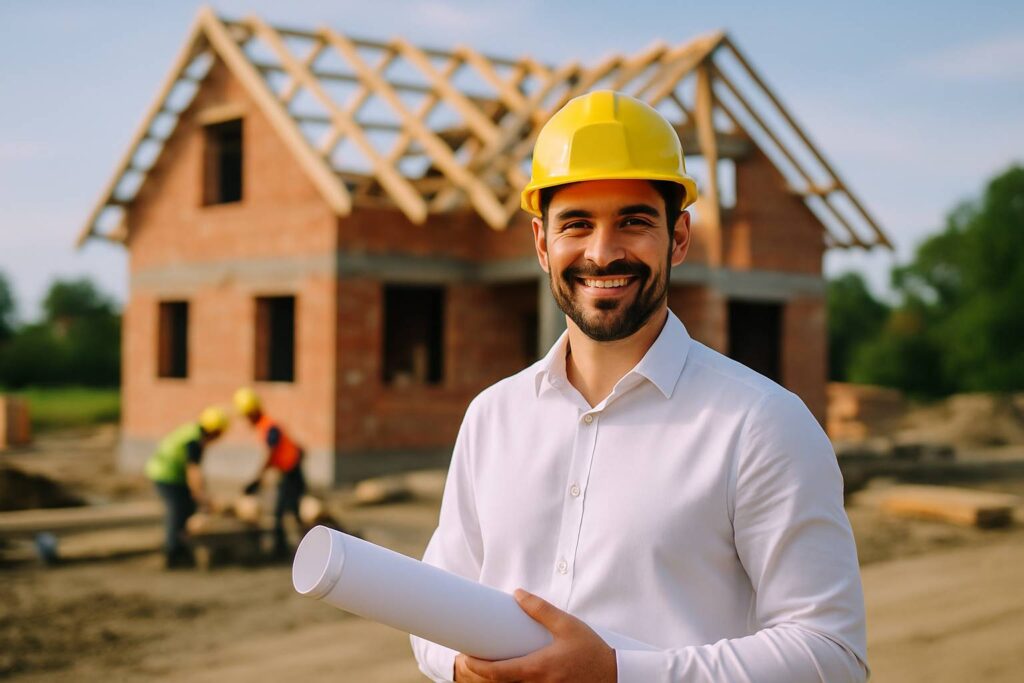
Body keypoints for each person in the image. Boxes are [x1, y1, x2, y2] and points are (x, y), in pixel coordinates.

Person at [411, 91, 867, 682]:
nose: (602, 253)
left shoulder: (761, 423)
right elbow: (435, 603)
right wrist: (457, 665)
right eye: (577, 224)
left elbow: (831, 655)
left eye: (633, 221)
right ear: (542, 243)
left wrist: (618, 674)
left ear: (678, 238)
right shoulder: (492, 417)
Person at [145, 406, 228, 568]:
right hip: (166, 474)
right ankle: (173, 552)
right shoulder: (194, 441)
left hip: (173, 473)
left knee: (187, 508)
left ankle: (182, 546)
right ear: (214, 431)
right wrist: (201, 496)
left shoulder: (193, 432)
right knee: (177, 510)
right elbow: (193, 471)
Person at [233, 387, 306, 556]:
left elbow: (270, 453)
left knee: (284, 510)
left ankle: (285, 548)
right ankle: (289, 546)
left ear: (251, 413)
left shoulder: (268, 426)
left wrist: (257, 477)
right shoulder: (267, 425)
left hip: (292, 472)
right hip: (289, 471)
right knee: (289, 509)